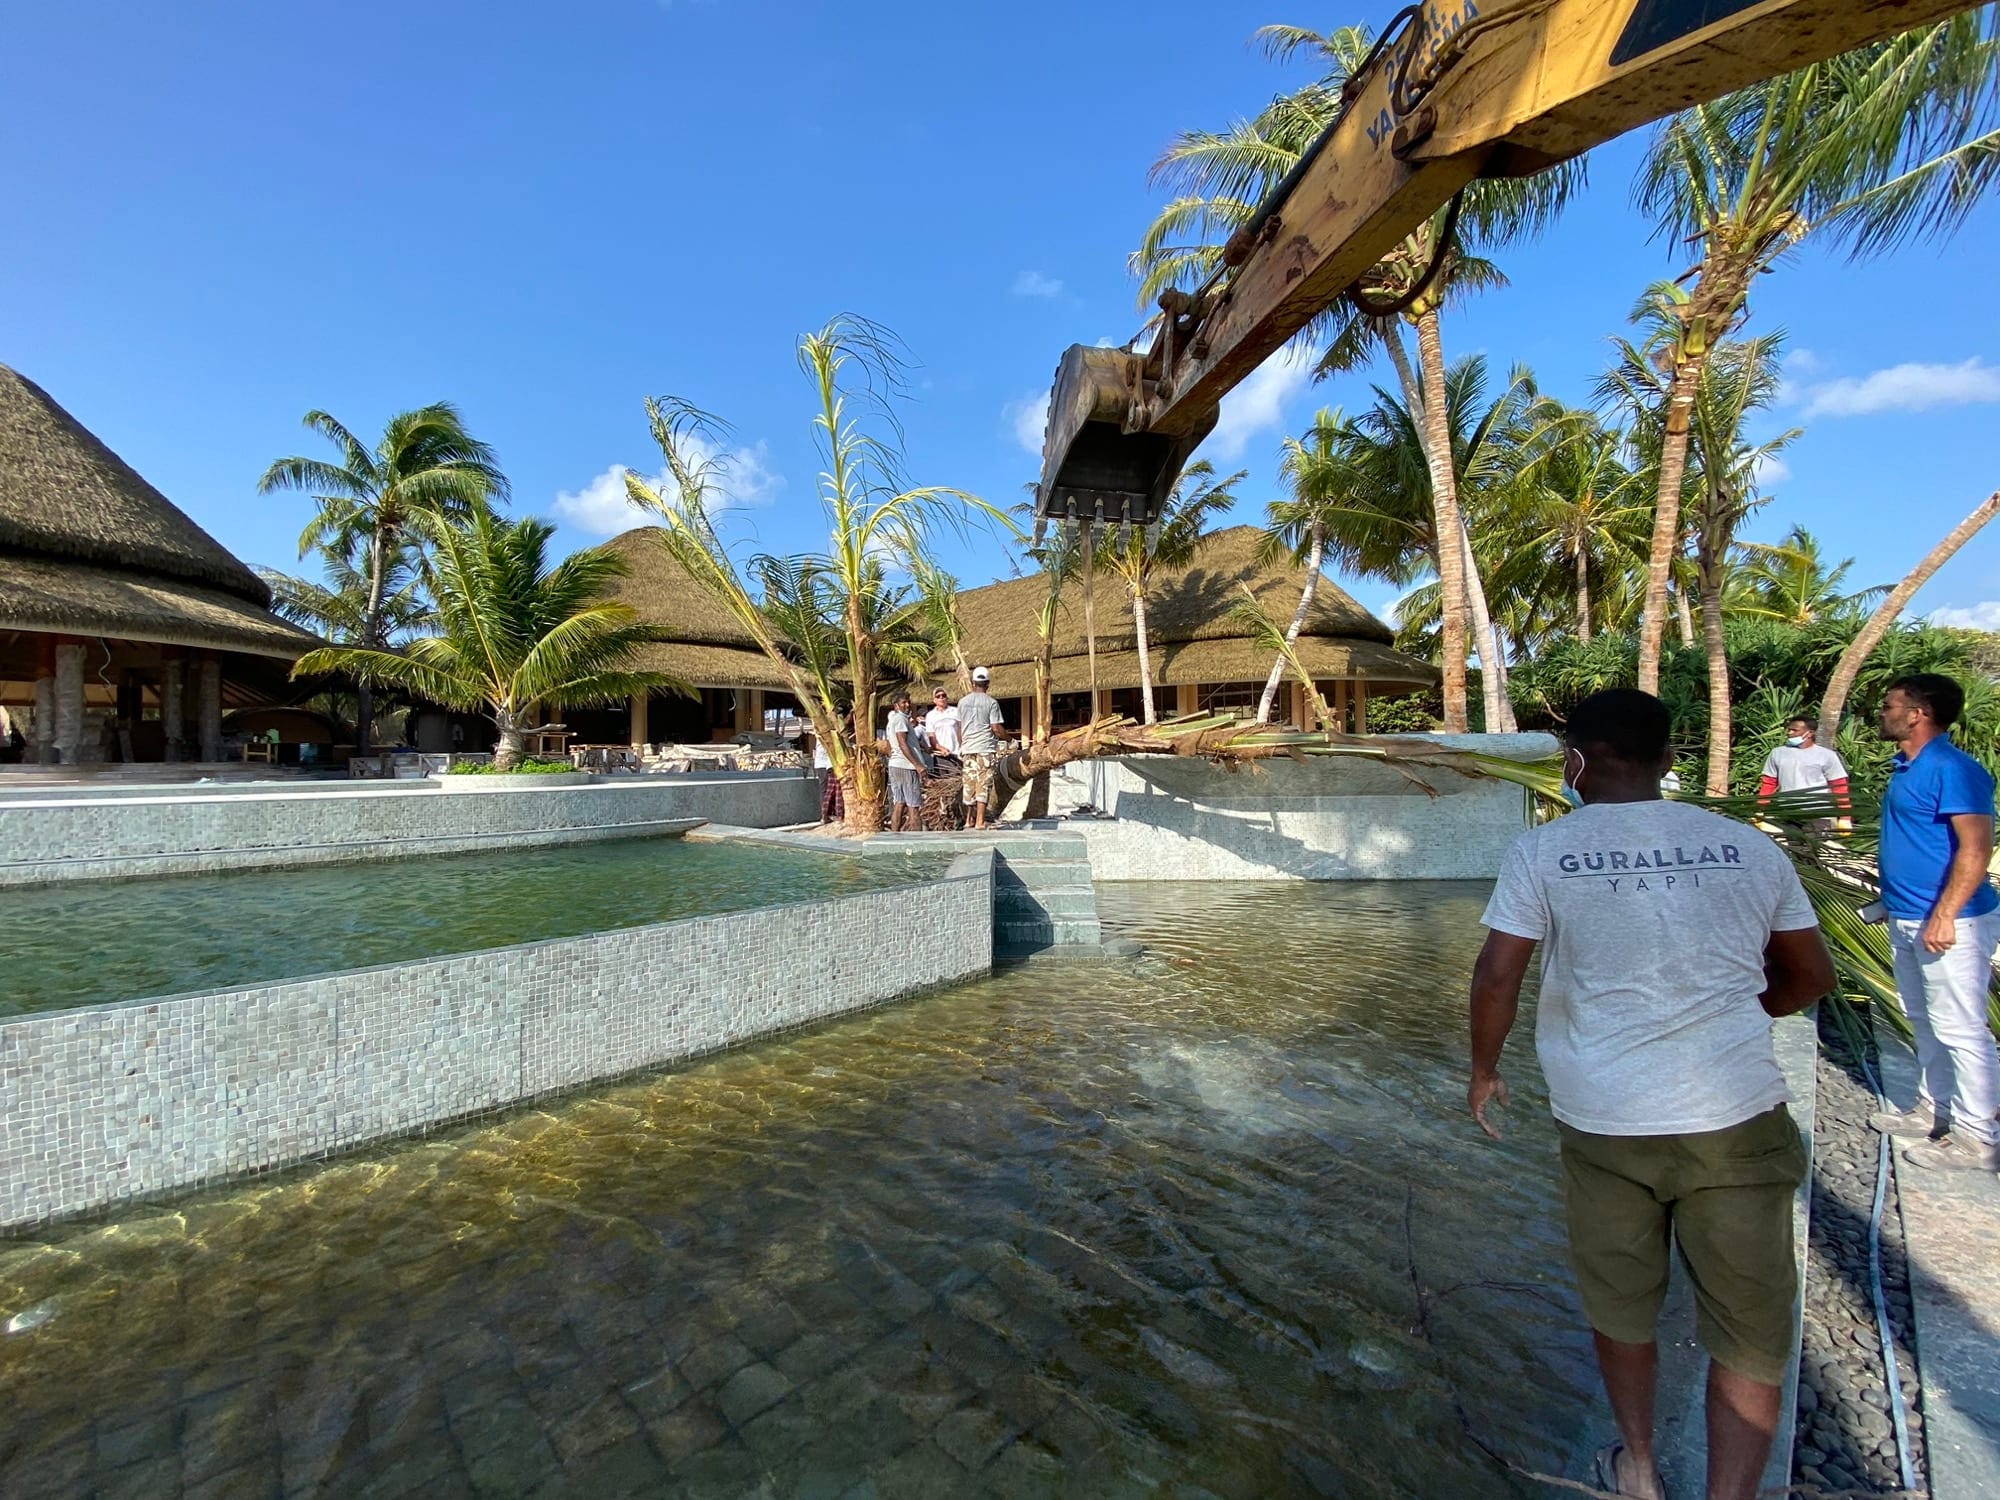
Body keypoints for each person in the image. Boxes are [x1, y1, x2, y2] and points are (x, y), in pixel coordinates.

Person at [1467, 688, 1834, 1500]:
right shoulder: (1746, 847)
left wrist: (1484, 1071)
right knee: (1748, 1332)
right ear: (1669, 760)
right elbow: (1811, 974)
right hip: (1736, 1119)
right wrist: (1744, 1012)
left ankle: (1637, 1465)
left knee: (1622, 1308)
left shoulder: (1544, 851)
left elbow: (1497, 976)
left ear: (1574, 762)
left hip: (1605, 1125)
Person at [1869, 673, 2000, 1174]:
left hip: (1951, 921)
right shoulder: (1906, 767)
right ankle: (1935, 1108)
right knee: (1923, 1019)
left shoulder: (1953, 769)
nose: (1882, 713)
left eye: (1889, 705)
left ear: (1917, 714)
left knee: (1960, 1027)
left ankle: (1978, 1136)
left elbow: (1976, 847)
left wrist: (1944, 914)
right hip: (1908, 916)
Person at [1757, 716, 1851, 834]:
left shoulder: (1826, 756)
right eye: (1789, 729)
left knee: (1813, 844)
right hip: (1787, 812)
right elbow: (1768, 783)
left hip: (1817, 813)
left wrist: (1845, 817)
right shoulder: (1778, 753)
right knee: (1788, 845)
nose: (1789, 733)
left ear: (1810, 733)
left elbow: (1839, 787)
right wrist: (1760, 809)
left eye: (1794, 730)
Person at [955, 668, 1012, 832]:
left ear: (973, 683)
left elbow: (959, 727)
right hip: (984, 749)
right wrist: (1010, 740)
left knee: (969, 784)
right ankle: (980, 821)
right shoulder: (991, 703)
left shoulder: (962, 702)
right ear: (987, 684)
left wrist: (962, 745)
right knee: (983, 785)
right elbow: (996, 728)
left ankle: (969, 820)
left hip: (968, 749)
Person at [884, 692, 923, 833]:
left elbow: (889, 745)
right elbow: (902, 743)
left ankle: (895, 836)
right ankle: (917, 840)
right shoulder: (900, 719)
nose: (907, 705)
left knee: (899, 803)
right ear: (896, 705)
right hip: (906, 766)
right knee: (913, 805)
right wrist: (917, 765)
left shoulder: (892, 721)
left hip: (895, 765)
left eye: (908, 702)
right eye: (903, 702)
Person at [811, 729, 843, 825]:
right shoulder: (827, 731)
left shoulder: (819, 731)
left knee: (825, 791)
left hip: (822, 763)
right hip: (829, 763)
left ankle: (825, 815)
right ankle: (832, 814)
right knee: (834, 790)